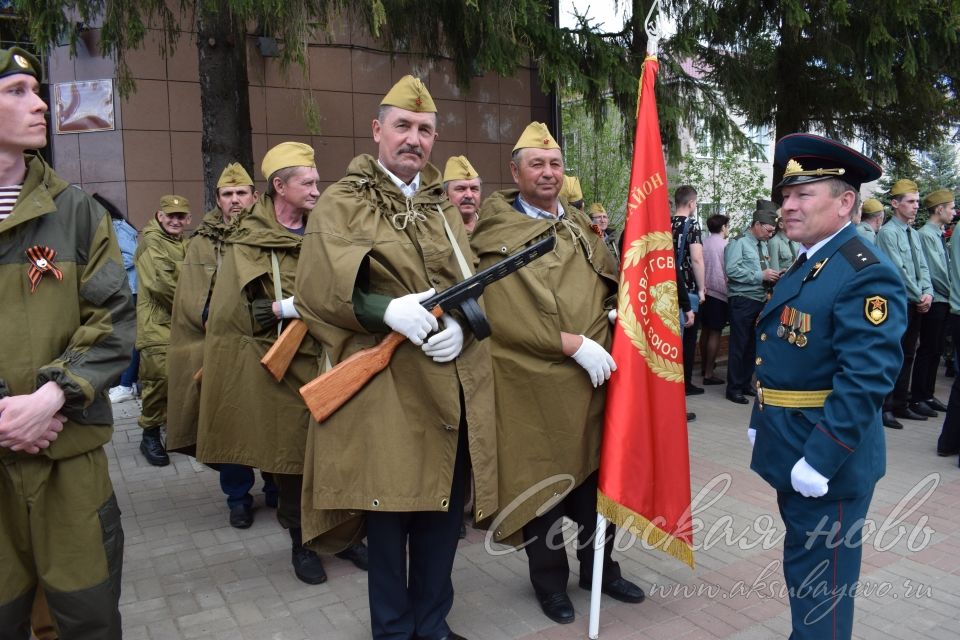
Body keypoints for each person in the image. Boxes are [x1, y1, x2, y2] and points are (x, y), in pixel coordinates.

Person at [295, 75, 497, 640]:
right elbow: (316, 286)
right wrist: (385, 310)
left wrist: (461, 323)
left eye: (425, 130)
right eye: (403, 126)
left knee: (439, 519)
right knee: (389, 521)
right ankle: (392, 629)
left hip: (447, 386)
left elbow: (469, 281)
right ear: (377, 130)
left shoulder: (441, 206)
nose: (414, 139)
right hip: (385, 392)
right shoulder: (343, 200)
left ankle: (431, 624)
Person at [471, 122, 644, 625]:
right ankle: (549, 583)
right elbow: (498, 314)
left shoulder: (576, 225)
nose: (548, 173)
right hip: (534, 383)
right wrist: (570, 343)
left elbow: (610, 278)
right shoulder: (495, 232)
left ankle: (601, 571)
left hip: (595, 383)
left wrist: (618, 314)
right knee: (541, 487)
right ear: (515, 171)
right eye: (537, 164)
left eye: (555, 165)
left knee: (598, 489)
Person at [0, 46, 134, 638]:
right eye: (16, 91)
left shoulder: (76, 212)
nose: (39, 105)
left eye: (37, 90)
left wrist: (50, 398)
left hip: (68, 461)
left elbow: (114, 318)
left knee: (87, 619)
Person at [749, 133, 905, 640]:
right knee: (806, 573)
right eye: (786, 195)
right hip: (792, 442)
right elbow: (776, 349)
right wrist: (760, 419)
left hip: (827, 459)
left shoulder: (864, 273)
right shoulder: (812, 258)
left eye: (803, 195)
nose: (787, 206)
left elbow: (866, 379)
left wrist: (821, 457)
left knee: (823, 593)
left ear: (844, 203)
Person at [195, 143, 366, 584]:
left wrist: (299, 306)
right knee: (292, 461)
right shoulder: (248, 241)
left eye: (316, 180)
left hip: (334, 358)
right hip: (284, 368)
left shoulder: (325, 229)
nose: (316, 189)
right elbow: (243, 315)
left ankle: (346, 538)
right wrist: (293, 309)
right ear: (279, 187)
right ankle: (302, 543)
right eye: (307, 182)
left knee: (342, 453)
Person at [165, 162, 278, 529]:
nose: (235, 200)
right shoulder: (202, 240)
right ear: (217, 199)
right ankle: (238, 497)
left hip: (266, 339)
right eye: (227, 194)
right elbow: (190, 296)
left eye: (241, 193)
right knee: (229, 418)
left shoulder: (271, 230)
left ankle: (278, 487)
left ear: (254, 196)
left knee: (272, 416)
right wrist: (211, 316)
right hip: (221, 344)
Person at [135, 194, 190, 466]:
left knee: (179, 378)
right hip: (157, 326)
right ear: (160, 216)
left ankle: (175, 431)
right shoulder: (151, 241)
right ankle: (150, 434)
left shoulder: (182, 243)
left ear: (188, 219)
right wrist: (194, 311)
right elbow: (160, 283)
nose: (175, 221)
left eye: (180, 216)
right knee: (159, 380)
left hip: (177, 325)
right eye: (170, 215)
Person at [876, 178, 933, 428]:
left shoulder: (913, 233)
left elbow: (922, 267)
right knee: (892, 354)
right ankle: (885, 406)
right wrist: (919, 294)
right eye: (911, 202)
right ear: (895, 204)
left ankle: (901, 402)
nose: (916, 206)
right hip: (897, 301)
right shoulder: (888, 233)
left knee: (908, 354)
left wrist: (928, 291)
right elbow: (898, 270)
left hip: (915, 301)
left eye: (917, 202)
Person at [724, 200, 781, 404]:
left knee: (752, 345)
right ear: (757, 224)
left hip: (759, 299)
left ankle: (745, 382)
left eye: (773, 230)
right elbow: (731, 270)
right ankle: (733, 388)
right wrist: (760, 275)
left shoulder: (762, 244)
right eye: (768, 229)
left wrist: (773, 275)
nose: (770, 234)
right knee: (739, 345)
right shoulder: (739, 242)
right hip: (743, 300)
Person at [911, 189, 955, 416]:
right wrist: (953, 292)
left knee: (936, 349)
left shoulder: (936, 233)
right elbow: (937, 272)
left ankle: (927, 394)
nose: (954, 212)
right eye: (951, 207)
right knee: (927, 349)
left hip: (942, 299)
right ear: (939, 209)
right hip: (936, 298)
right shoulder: (926, 234)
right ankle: (918, 396)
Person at [97, 194, 140, 403]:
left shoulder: (117, 226)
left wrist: (102, 267)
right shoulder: (115, 225)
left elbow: (131, 256)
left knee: (129, 339)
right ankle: (123, 383)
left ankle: (126, 385)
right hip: (124, 289)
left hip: (130, 290)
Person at [671, 186, 706, 396]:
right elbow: (696, 258)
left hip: (665, 285)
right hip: (685, 287)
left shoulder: (664, 222)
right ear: (692, 203)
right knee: (688, 338)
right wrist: (701, 288)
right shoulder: (691, 224)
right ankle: (684, 384)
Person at [699, 213, 730, 385]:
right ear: (723, 227)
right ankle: (709, 374)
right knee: (715, 332)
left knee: (705, 330)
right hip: (719, 292)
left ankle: (705, 366)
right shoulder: (725, 245)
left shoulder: (703, 242)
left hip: (704, 291)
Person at [443, 155, 482, 233]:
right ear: (445, 194)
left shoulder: (491, 223)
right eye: (461, 189)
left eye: (474, 189)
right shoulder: (438, 227)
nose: (469, 195)